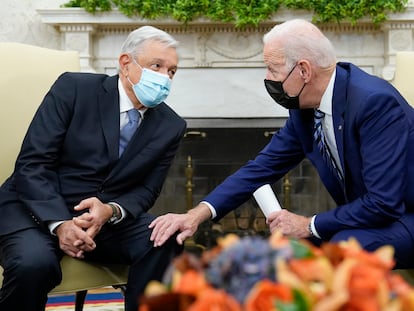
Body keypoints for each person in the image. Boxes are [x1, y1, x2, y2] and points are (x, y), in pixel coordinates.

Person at [149, 19, 414, 269]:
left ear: (303, 70)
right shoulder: (306, 109)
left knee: (341, 248)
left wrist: (307, 225)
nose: (268, 78)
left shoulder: (373, 103)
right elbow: (261, 168)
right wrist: (197, 214)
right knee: (286, 252)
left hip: (404, 216)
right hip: (371, 218)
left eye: (273, 69)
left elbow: (383, 203)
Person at [0, 26, 186, 311]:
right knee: (33, 264)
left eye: (171, 71)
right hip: (36, 209)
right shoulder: (74, 88)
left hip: (104, 221)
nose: (164, 77)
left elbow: (147, 190)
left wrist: (110, 210)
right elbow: (33, 164)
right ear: (126, 63)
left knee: (165, 237)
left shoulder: (171, 125)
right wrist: (61, 223)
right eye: (156, 66)